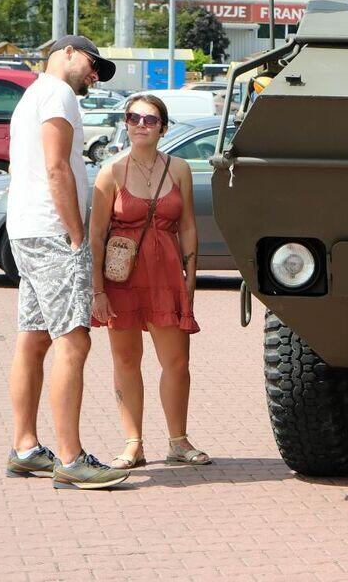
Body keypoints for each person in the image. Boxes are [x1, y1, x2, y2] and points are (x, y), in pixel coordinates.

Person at [5, 35, 130, 489]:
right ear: (69, 53)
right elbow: (57, 167)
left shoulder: (32, 95)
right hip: (53, 232)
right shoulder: (58, 94)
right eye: (93, 65)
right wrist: (77, 235)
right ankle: (71, 458)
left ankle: (25, 448)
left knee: (34, 338)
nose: (94, 76)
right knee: (74, 341)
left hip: (26, 228)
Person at [89, 93, 209, 469]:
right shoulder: (111, 172)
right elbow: (96, 236)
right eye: (134, 118)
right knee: (126, 360)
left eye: (150, 119)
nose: (141, 125)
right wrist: (97, 290)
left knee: (176, 361)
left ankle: (178, 441)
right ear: (125, 124)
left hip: (167, 275)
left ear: (163, 128)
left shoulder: (179, 169)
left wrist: (190, 278)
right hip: (122, 278)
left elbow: (187, 226)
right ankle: (133, 444)